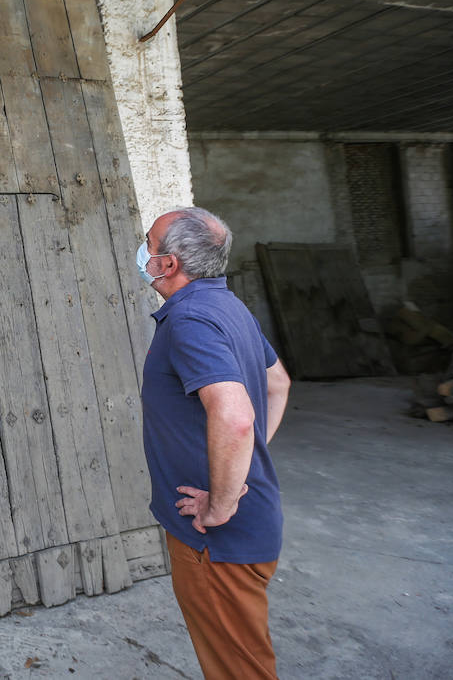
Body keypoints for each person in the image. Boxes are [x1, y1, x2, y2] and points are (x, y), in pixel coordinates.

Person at [137, 207, 292, 680]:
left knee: (239, 672)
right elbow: (278, 383)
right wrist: (238, 466)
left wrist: (221, 503)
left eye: (149, 242)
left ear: (167, 265)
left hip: (217, 538)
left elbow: (236, 417)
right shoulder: (226, 306)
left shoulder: (191, 321)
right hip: (245, 525)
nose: (141, 250)